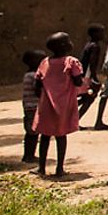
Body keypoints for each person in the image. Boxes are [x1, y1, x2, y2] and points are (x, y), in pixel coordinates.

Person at [33, 32, 84, 177]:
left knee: (45, 136)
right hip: (64, 105)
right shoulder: (71, 62)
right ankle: (59, 168)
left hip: (46, 104)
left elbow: (37, 83)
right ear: (65, 46)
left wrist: (43, 98)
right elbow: (78, 81)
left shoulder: (45, 62)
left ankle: (41, 168)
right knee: (61, 136)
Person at [21, 49, 45, 163]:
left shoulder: (27, 74)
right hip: (34, 107)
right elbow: (38, 90)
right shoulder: (34, 75)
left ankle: (29, 155)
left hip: (29, 107)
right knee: (32, 133)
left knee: (31, 133)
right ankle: (29, 155)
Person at [77, 23, 104, 122]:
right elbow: (92, 63)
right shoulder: (95, 46)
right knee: (89, 98)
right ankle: (75, 120)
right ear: (95, 34)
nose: (103, 35)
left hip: (82, 74)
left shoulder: (88, 45)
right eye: (101, 32)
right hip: (86, 76)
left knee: (84, 97)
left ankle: (72, 118)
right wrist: (94, 78)